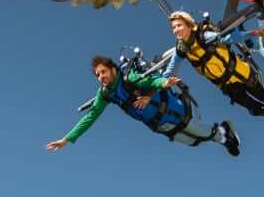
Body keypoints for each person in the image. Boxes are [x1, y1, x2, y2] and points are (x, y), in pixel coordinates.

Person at [47, 55, 240, 156]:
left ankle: (223, 132)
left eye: (103, 72)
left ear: (113, 69)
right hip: (158, 124)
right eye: (97, 75)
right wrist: (68, 139)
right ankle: (222, 136)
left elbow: (151, 81)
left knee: (202, 132)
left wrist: (164, 83)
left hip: (173, 111)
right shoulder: (105, 94)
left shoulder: (128, 78)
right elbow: (90, 117)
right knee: (193, 142)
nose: (101, 77)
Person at [168, 11, 264, 128]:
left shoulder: (204, 36)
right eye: (173, 27)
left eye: (179, 25)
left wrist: (253, 33)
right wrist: (158, 82)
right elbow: (171, 69)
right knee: (254, 109)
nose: (176, 30)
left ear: (188, 24)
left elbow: (229, 38)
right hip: (228, 86)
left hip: (240, 73)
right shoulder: (182, 49)